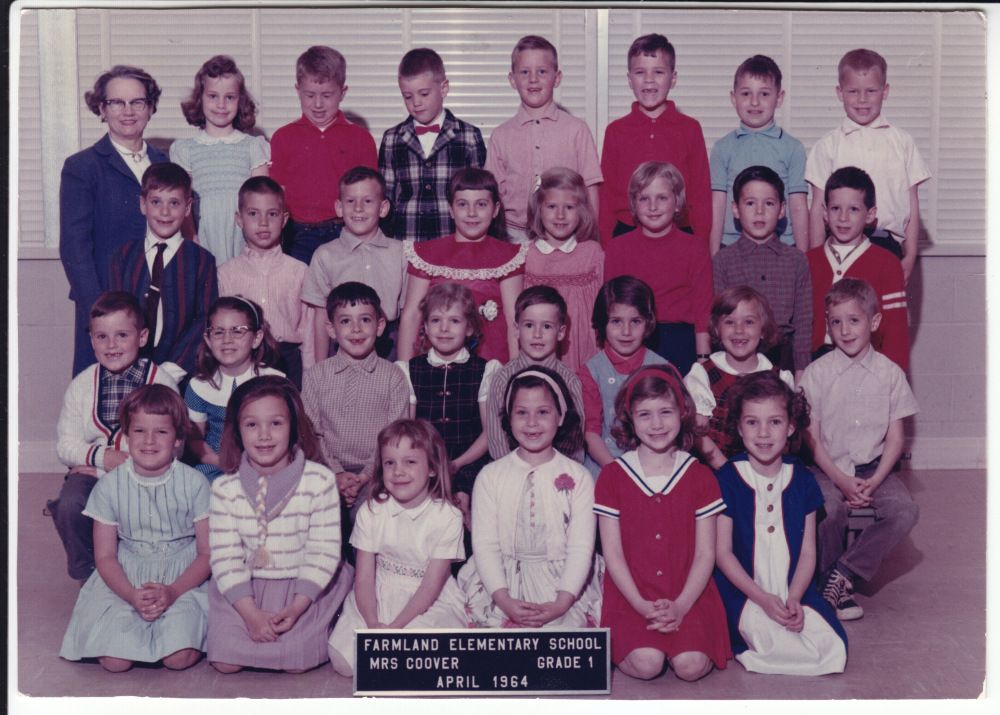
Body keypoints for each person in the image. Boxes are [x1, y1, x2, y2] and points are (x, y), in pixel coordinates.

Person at [207, 375, 354, 673]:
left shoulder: (319, 480)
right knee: (225, 663)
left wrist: (298, 606)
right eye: (252, 425)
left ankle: (306, 625)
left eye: (276, 423)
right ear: (237, 431)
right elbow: (225, 558)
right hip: (245, 589)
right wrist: (250, 615)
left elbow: (323, 552)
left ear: (294, 427)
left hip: (305, 585)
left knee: (296, 662)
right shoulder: (224, 488)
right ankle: (245, 621)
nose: (264, 435)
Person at [59, 384, 210, 672]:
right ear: (126, 436)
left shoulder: (195, 484)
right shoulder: (108, 487)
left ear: (178, 438)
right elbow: (104, 556)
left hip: (183, 575)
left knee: (178, 658)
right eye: (139, 431)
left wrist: (174, 591)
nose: (149, 440)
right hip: (126, 574)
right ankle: (128, 622)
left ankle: (179, 626)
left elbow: (206, 554)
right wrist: (130, 595)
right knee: (115, 662)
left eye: (162, 431)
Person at [594, 365, 730, 681]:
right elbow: (612, 554)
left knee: (691, 667)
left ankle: (688, 636)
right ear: (629, 418)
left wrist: (681, 606)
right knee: (647, 663)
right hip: (632, 593)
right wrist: (641, 606)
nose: (657, 424)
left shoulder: (700, 475)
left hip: (688, 591)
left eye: (666, 412)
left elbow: (705, 555)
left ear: (682, 413)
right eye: (645, 415)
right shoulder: (613, 476)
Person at [800, 279, 919, 622]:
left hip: (873, 469)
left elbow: (896, 440)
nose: (845, 330)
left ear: (874, 322)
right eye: (836, 322)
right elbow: (812, 439)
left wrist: (875, 478)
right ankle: (829, 582)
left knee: (905, 511)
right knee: (829, 509)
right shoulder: (817, 374)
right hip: (826, 466)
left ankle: (843, 574)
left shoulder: (890, 374)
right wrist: (839, 478)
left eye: (854, 320)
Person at [713, 372, 847, 675]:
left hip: (791, 587)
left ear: (790, 427)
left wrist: (795, 598)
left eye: (774, 422)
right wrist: (761, 598)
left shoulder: (803, 480)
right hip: (746, 591)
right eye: (752, 422)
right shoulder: (728, 479)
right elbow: (723, 554)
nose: (763, 433)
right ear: (738, 426)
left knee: (831, 645)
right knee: (768, 640)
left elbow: (808, 553)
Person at [458, 367, 603, 627]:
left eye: (543, 412)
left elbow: (580, 548)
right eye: (522, 412)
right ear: (509, 418)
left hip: (563, 582)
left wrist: (562, 602)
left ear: (560, 417)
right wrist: (503, 600)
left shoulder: (579, 476)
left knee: (563, 641)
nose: (532, 422)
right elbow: (485, 545)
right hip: (502, 582)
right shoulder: (490, 476)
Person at [50, 292, 179, 583]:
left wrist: (126, 464)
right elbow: (65, 444)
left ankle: (141, 571)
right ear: (91, 339)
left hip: (149, 477)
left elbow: (173, 446)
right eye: (102, 337)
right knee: (71, 504)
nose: (112, 346)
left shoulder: (161, 381)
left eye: (122, 335)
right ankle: (89, 576)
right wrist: (101, 460)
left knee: (156, 520)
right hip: (94, 474)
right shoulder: (82, 385)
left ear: (142, 337)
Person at [328, 419, 468, 675]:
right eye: (390, 462)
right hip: (378, 594)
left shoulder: (448, 517)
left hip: (425, 601)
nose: (398, 471)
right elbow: (364, 579)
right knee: (345, 662)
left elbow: (430, 587)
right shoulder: (371, 511)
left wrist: (396, 627)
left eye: (410, 462)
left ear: (433, 469)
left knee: (423, 656)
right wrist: (373, 624)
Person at [60, 64, 168, 376]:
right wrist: (99, 315)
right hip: (106, 299)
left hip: (157, 299)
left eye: (137, 102)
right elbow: (74, 248)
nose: (128, 111)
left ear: (150, 108)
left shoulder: (165, 161)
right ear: (101, 109)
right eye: (116, 102)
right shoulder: (83, 167)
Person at [805, 48, 931, 281]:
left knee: (882, 315)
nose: (862, 100)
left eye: (871, 91)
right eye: (853, 91)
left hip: (886, 244)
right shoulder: (827, 145)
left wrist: (911, 254)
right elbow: (816, 208)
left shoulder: (902, 142)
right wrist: (816, 258)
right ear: (839, 93)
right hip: (838, 246)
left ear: (885, 91)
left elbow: (912, 204)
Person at [394, 282, 501, 527]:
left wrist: (458, 465)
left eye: (454, 321)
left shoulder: (485, 371)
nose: (444, 329)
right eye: (435, 320)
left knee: (469, 511)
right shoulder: (409, 370)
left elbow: (489, 435)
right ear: (425, 327)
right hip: (424, 463)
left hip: (471, 462)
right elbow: (408, 432)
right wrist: (431, 465)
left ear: (470, 327)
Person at [398, 167, 527, 363]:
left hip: (491, 359)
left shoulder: (508, 256)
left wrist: (516, 371)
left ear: (496, 210)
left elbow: (513, 319)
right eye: (463, 204)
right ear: (450, 209)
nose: (472, 213)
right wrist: (405, 370)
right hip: (436, 358)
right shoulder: (426, 254)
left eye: (481, 204)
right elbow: (411, 316)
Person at [302, 282, 410, 512]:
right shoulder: (316, 375)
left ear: (380, 326)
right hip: (326, 468)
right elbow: (311, 433)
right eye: (345, 321)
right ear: (331, 330)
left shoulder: (393, 376)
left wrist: (365, 477)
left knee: (372, 511)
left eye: (365, 320)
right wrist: (337, 473)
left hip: (379, 470)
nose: (356, 329)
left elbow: (395, 436)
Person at [486, 35, 602, 243]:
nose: (533, 79)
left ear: (557, 78)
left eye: (542, 71)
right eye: (524, 72)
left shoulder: (577, 129)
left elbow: (591, 187)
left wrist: (589, 238)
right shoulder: (501, 135)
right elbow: (493, 193)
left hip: (566, 234)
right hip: (514, 235)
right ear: (512, 79)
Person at [598, 33, 711, 244]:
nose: (649, 80)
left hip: (680, 232)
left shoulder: (690, 129)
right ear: (629, 79)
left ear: (673, 78)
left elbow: (701, 196)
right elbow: (606, 199)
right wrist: (606, 246)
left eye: (658, 72)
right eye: (640, 72)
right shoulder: (616, 131)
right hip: (627, 233)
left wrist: (701, 245)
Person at [270, 46, 377, 265]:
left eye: (327, 95)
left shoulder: (361, 138)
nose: (318, 104)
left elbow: (370, 196)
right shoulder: (282, 137)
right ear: (297, 90)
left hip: (344, 232)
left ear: (343, 93)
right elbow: (276, 196)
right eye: (310, 95)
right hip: (296, 235)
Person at [110, 162, 218, 379]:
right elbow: (115, 315)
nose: (165, 212)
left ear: (187, 208)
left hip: (180, 372)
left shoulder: (201, 260)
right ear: (143, 204)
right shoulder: (124, 256)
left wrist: (170, 372)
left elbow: (205, 318)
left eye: (174, 203)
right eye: (156, 202)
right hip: (129, 371)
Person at [604, 161, 712, 375]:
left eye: (662, 198)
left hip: (681, 343)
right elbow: (610, 310)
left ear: (678, 202)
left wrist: (703, 363)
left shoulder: (695, 247)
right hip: (632, 340)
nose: (653, 207)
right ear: (633, 204)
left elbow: (703, 312)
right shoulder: (617, 247)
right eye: (644, 198)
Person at [805, 166, 909, 371]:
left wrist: (890, 381)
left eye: (853, 209)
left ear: (870, 214)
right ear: (825, 212)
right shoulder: (808, 261)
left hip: (867, 368)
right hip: (816, 367)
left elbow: (896, 334)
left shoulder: (887, 263)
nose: (843, 218)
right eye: (836, 209)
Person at [713, 166, 813, 376]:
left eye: (769, 203)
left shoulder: (796, 260)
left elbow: (803, 323)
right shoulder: (723, 260)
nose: (760, 211)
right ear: (736, 209)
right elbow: (720, 320)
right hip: (736, 357)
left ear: (782, 209)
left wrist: (801, 370)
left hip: (783, 359)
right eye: (750, 203)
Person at [379, 47, 486, 243]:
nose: (416, 103)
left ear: (444, 88)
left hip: (455, 242)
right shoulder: (392, 139)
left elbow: (480, 198)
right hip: (406, 244)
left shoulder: (469, 137)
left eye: (424, 93)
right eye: (408, 96)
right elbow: (386, 201)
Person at [171, 55, 270, 264]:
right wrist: (191, 237)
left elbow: (262, 199)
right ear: (200, 99)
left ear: (240, 101)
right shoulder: (185, 149)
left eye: (230, 97)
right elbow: (182, 200)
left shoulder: (253, 146)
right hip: (203, 232)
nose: (221, 105)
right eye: (213, 96)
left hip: (243, 233)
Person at [301, 167, 407, 362]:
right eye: (351, 201)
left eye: (367, 201)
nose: (358, 208)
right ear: (339, 207)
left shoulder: (400, 253)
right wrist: (320, 368)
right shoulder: (325, 255)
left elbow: (406, 315)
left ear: (383, 208)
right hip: (341, 343)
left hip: (388, 345)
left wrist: (405, 365)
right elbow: (321, 317)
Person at [684, 287, 794, 471]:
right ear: (717, 329)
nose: (739, 330)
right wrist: (731, 473)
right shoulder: (702, 375)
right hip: (720, 470)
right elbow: (699, 435)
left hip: (770, 471)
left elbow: (787, 439)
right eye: (729, 322)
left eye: (749, 322)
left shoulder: (780, 378)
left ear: (763, 330)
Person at [218, 177, 312, 389]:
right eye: (253, 214)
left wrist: (309, 377)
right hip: (242, 361)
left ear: (284, 219)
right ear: (239, 219)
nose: (263, 223)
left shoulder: (300, 271)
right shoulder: (226, 273)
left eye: (272, 214)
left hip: (289, 360)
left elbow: (308, 331)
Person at [709, 55, 808, 254]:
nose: (754, 102)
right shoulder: (722, 148)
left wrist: (803, 257)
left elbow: (798, 207)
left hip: (783, 247)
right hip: (731, 247)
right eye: (746, 94)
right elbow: (717, 206)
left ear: (779, 98)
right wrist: (713, 256)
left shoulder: (793, 148)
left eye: (764, 94)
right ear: (733, 97)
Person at [185, 296, 284, 481]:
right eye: (218, 332)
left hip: (268, 464)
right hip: (216, 465)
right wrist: (221, 461)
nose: (227, 340)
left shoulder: (276, 382)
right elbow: (194, 440)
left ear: (256, 338)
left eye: (238, 331)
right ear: (207, 339)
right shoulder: (199, 386)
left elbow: (289, 435)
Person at [578, 276, 669, 476]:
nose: (626, 331)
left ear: (648, 322)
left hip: (655, 465)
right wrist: (617, 472)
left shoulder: (663, 369)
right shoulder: (590, 371)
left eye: (635, 321)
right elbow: (591, 433)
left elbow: (673, 427)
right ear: (602, 324)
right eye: (616, 321)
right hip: (605, 466)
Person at [484, 285, 586, 462]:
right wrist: (513, 470)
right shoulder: (502, 379)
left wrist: (559, 471)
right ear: (516, 329)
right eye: (529, 325)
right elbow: (496, 438)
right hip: (512, 472)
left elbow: (575, 438)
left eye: (546, 326)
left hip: (557, 472)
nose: (537, 334)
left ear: (561, 332)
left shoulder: (570, 381)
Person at [523, 167, 604, 372]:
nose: (560, 215)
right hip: (538, 344)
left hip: (583, 346)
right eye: (551, 206)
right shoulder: (526, 255)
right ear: (538, 209)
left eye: (569, 207)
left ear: (582, 211)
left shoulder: (593, 253)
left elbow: (603, 307)